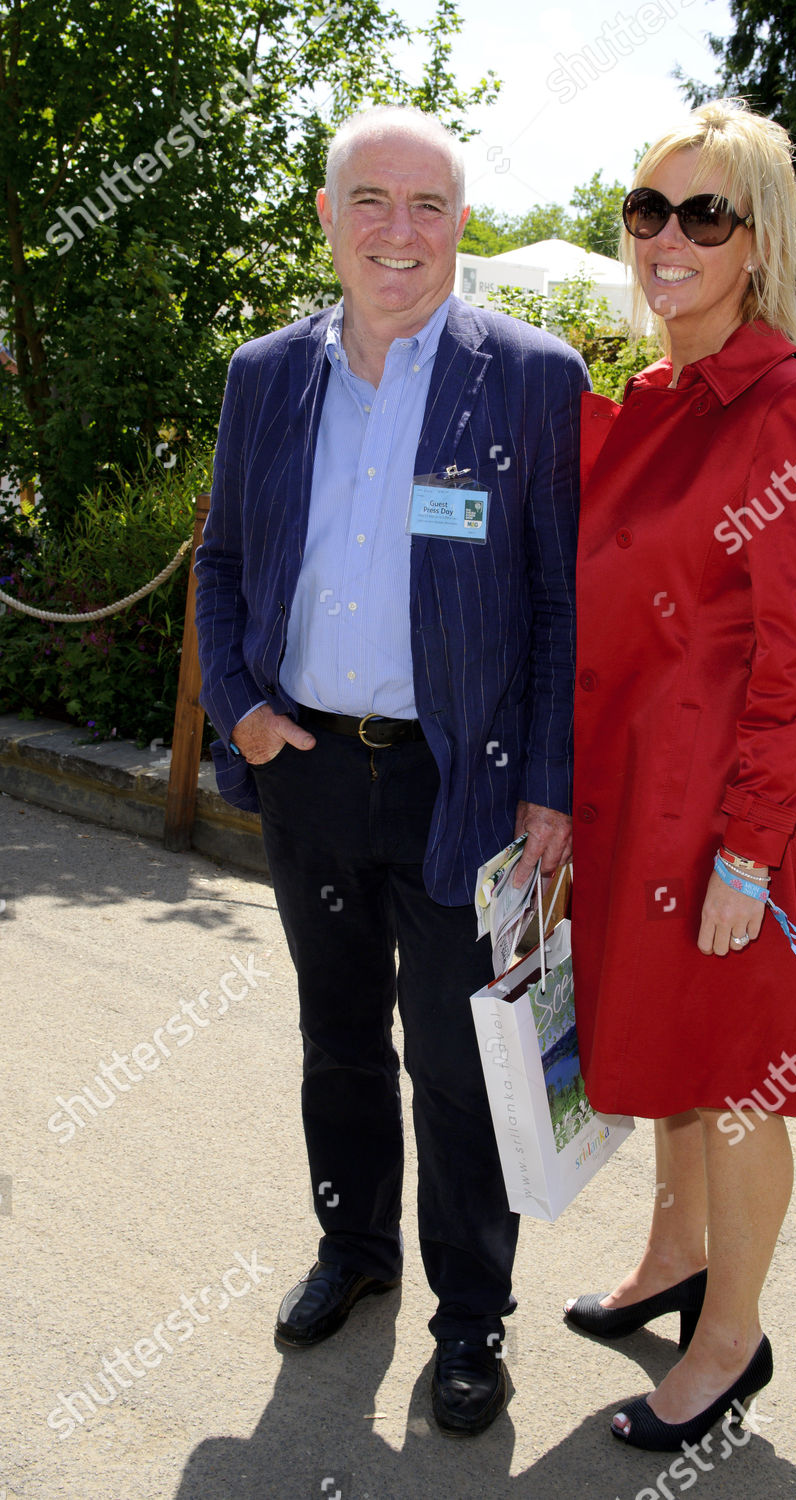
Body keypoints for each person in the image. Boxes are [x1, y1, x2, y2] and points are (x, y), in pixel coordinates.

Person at [195, 105, 587, 1436]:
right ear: (326, 217)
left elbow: (559, 603)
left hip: (455, 785)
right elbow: (225, 561)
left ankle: (470, 1317)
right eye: (371, 201)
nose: (399, 234)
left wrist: (548, 785)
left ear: (459, 224)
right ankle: (352, 1251)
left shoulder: (533, 377)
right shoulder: (265, 374)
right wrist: (239, 708)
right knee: (336, 1040)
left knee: (462, 1064)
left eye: (427, 206)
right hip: (304, 766)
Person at [565, 98, 796, 1451]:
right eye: (646, 210)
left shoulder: (794, 410)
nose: (666, 238)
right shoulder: (642, 405)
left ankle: (730, 1343)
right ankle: (673, 1253)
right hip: (630, 803)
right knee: (671, 1057)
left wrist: (746, 850)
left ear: (755, 242)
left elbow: (795, 665)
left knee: (733, 1079)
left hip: (729, 814)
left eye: (704, 214)